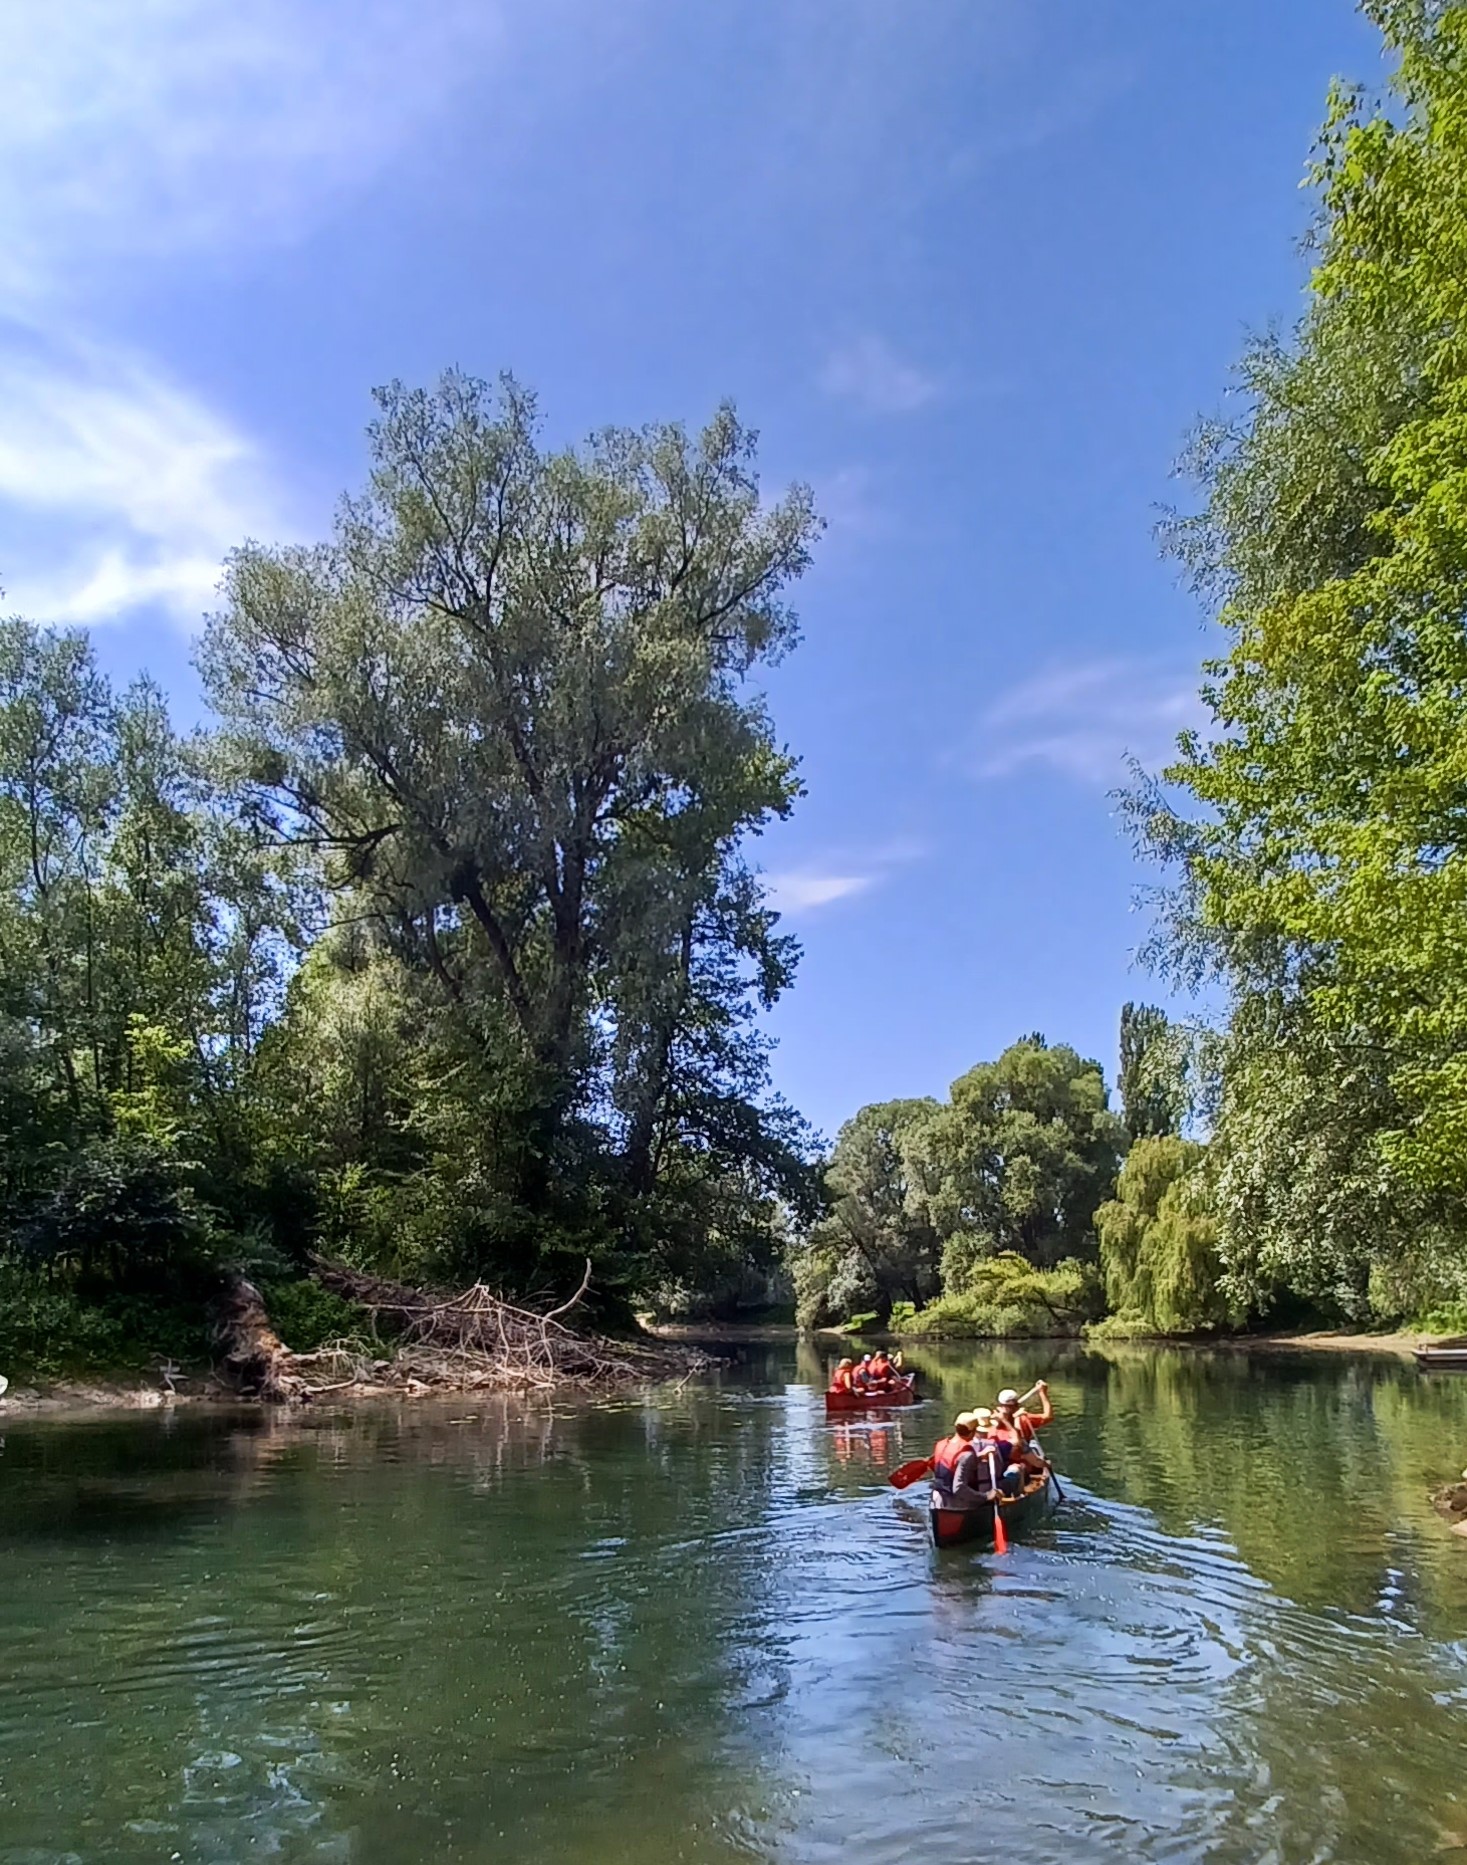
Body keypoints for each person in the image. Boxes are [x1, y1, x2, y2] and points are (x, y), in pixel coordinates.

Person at [930, 1412, 989, 1510]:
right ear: (973, 1432)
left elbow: (951, 1465)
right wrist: (986, 1496)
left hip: (937, 1502)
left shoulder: (941, 1445)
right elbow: (959, 1489)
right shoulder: (967, 1454)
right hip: (956, 1506)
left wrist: (978, 1458)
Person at [995, 1382, 1052, 1448]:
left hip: (1008, 1451)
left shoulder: (995, 1416)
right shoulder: (1023, 1418)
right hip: (1016, 1452)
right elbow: (1048, 1416)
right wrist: (1043, 1392)